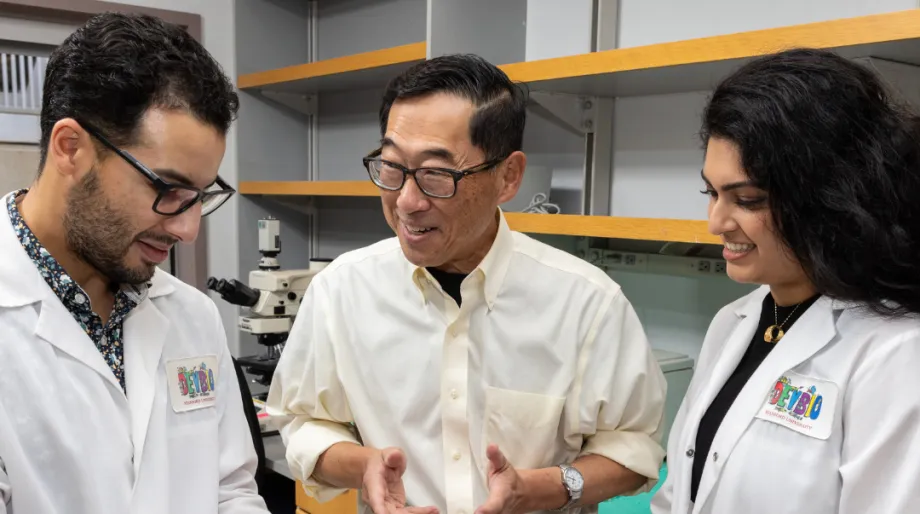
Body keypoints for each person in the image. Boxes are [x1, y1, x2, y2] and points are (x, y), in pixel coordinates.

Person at [266, 54, 668, 514]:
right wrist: (364, 466)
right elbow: (304, 422)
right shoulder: (341, 290)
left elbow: (634, 449)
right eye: (392, 167)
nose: (407, 201)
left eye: (437, 175)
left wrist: (540, 488)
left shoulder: (586, 302)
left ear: (508, 176)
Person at [0, 12, 270, 514]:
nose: (188, 230)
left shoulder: (193, 315)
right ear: (71, 148)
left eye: (201, 196)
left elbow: (231, 489)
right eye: (167, 189)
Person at [650, 48, 920, 514]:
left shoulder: (895, 353)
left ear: (831, 197)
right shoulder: (732, 323)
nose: (716, 222)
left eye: (748, 199)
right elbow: (681, 496)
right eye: (711, 193)